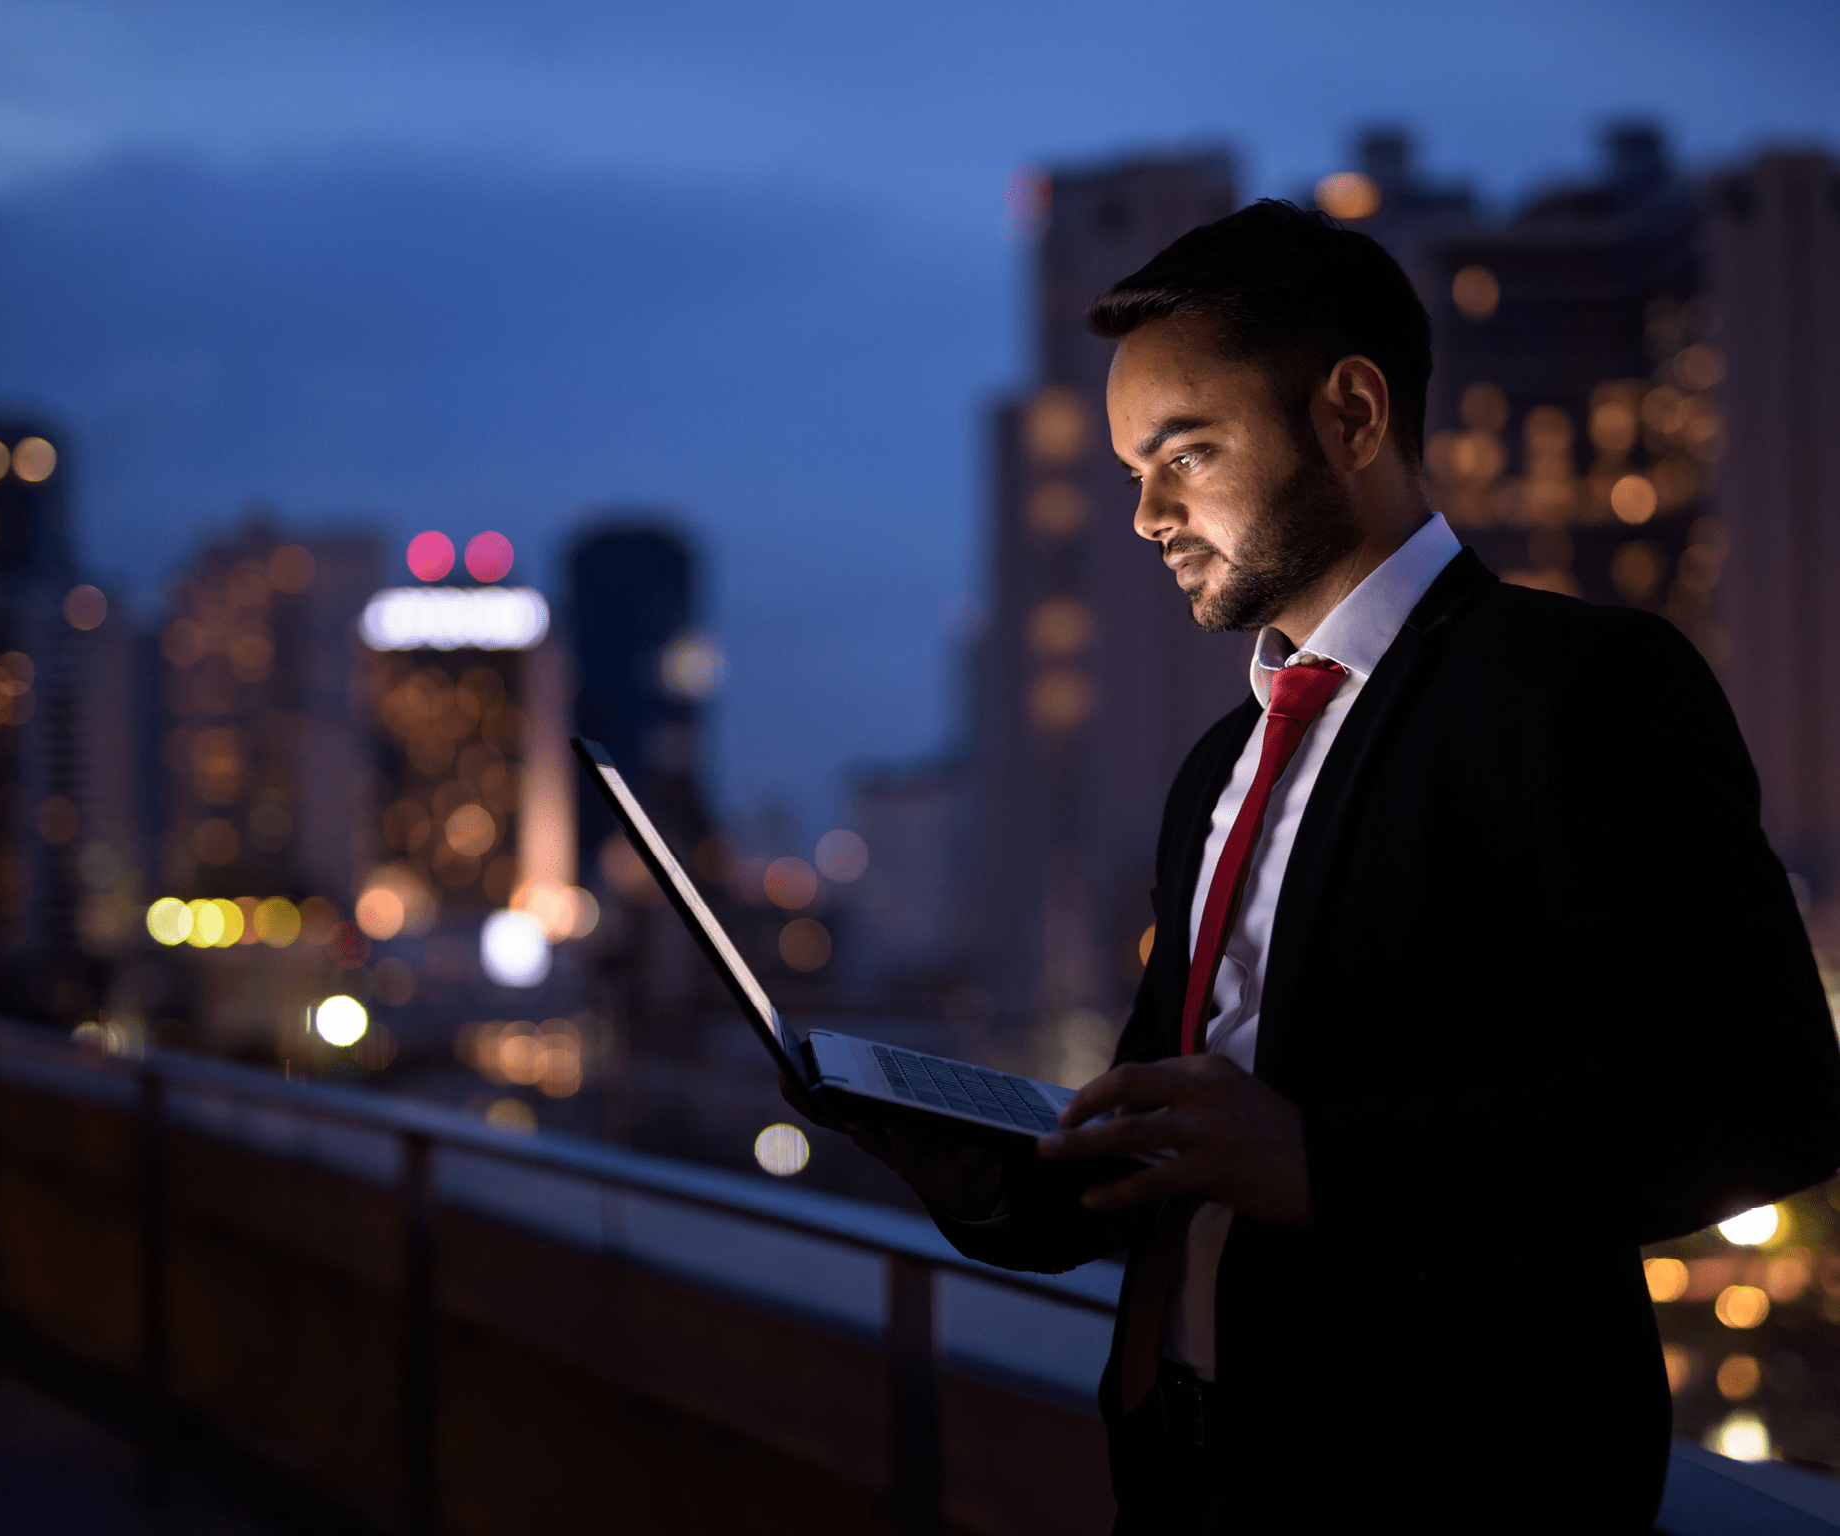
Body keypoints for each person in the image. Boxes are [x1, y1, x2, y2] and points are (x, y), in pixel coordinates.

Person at [786, 200, 1840, 1533]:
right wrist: (971, 1170)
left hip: (1456, 1483)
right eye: (1129, 472)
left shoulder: (1578, 691)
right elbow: (1171, 1146)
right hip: (1185, 1468)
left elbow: (1767, 1103)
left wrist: (1334, 1165)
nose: (1145, 515)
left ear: (1351, 415)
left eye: (1187, 454)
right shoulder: (1215, 770)